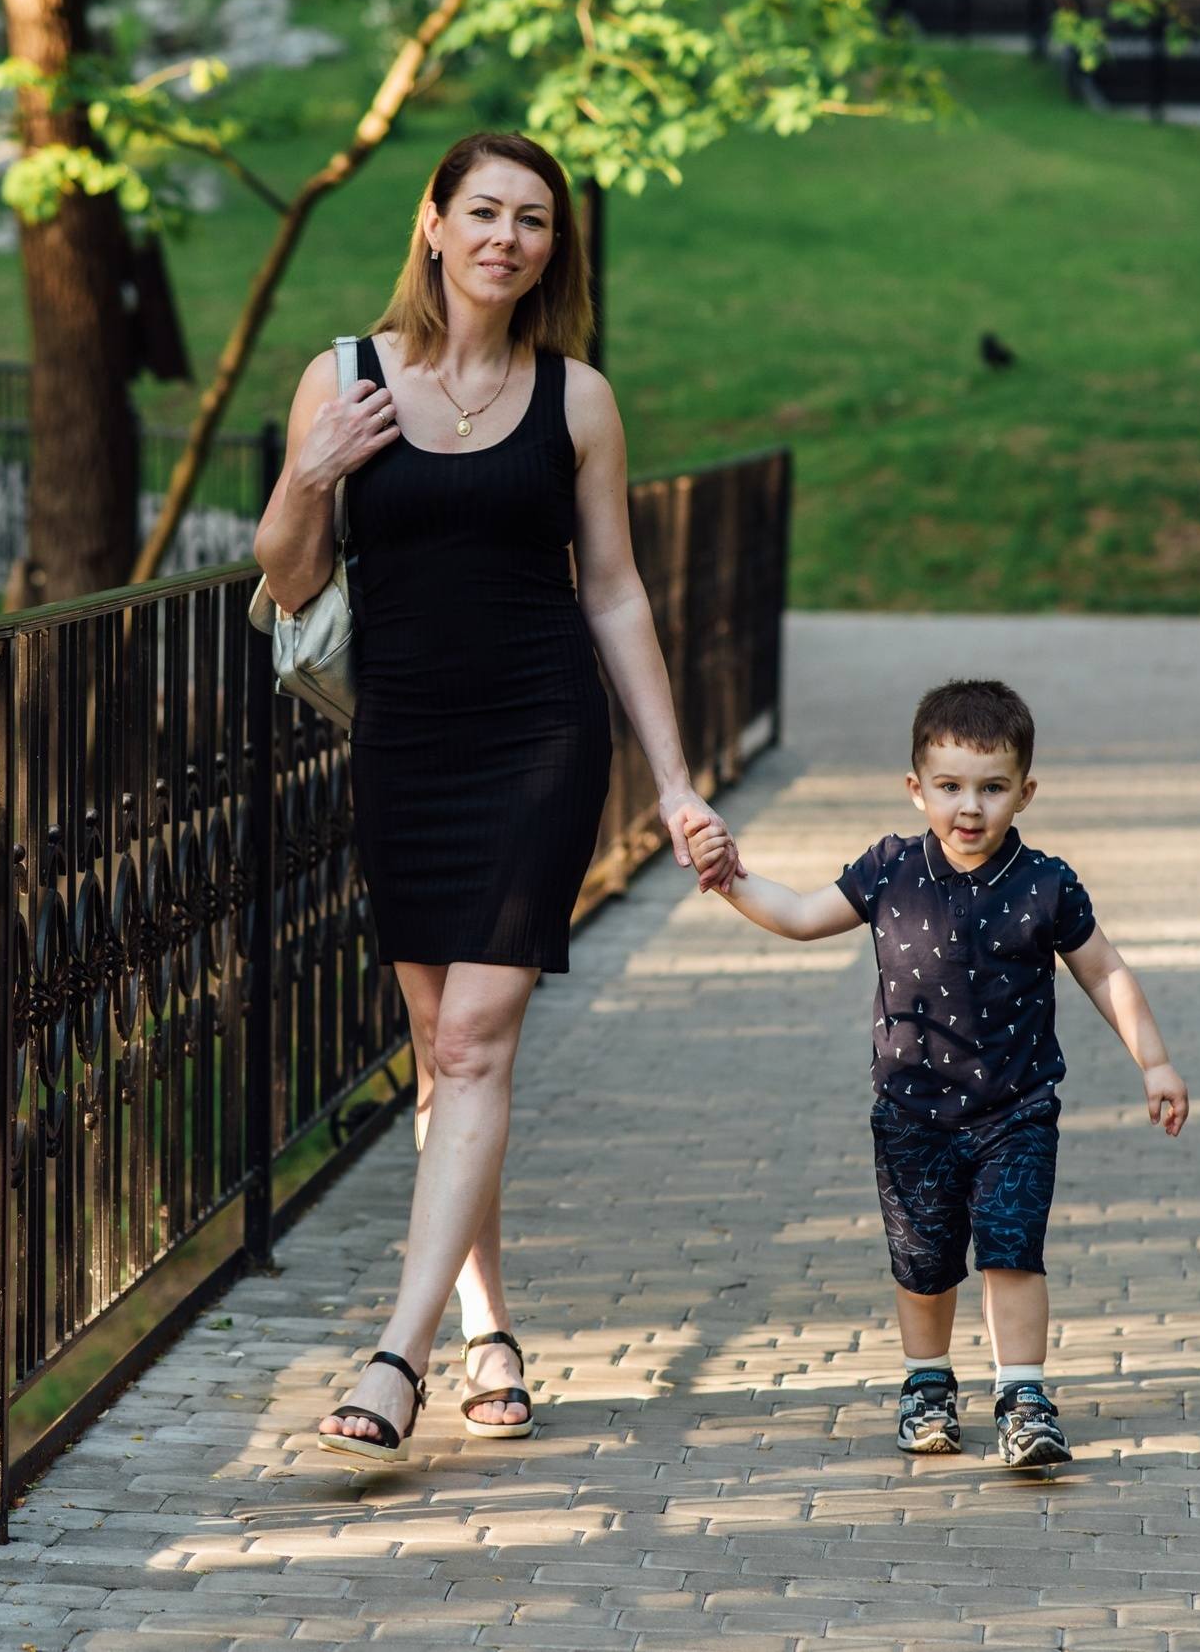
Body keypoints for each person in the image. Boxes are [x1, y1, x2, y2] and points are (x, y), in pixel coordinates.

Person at [251, 131, 739, 1463]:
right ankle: (488, 1325)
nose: (506, 237)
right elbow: (289, 582)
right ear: (431, 224)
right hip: (405, 741)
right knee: (439, 1052)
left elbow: (617, 591)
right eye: (483, 211)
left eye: (533, 220)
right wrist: (314, 469)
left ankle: (394, 1357)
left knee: (471, 1042)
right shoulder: (340, 380)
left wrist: (680, 778)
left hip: (537, 740)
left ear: (550, 252)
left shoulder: (577, 399)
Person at [685, 680, 1190, 1470]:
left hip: (1016, 1111)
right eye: (950, 786)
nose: (970, 807)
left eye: (992, 788)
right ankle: (927, 1383)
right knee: (923, 1263)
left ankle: (1024, 1395)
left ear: (1025, 791)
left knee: (1011, 1249)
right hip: (913, 1114)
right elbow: (801, 914)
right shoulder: (890, 868)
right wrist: (732, 879)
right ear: (916, 787)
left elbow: (1105, 972)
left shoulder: (1046, 884)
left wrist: (1153, 1059)